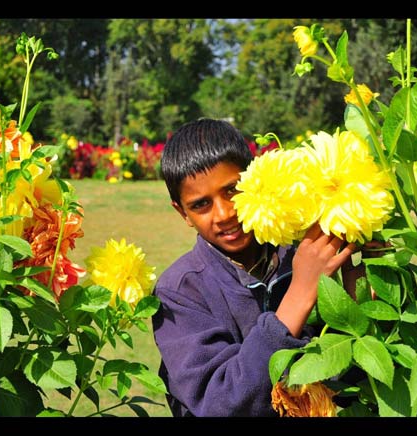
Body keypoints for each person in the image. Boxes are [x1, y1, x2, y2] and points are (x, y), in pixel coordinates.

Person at [152, 118, 362, 417]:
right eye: (201, 204)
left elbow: (350, 378)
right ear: (182, 212)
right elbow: (219, 403)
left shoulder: (303, 254)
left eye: (232, 190)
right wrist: (300, 294)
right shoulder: (179, 291)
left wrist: (359, 288)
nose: (224, 214)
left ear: (255, 180)